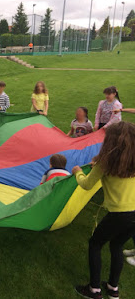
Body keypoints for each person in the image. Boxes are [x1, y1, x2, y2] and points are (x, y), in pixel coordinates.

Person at [72, 122, 135, 299]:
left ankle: (94, 290)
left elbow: (86, 184)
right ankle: (113, 288)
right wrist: (98, 164)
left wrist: (78, 171)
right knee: (117, 245)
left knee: (95, 244)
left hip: (120, 213)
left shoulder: (106, 163)